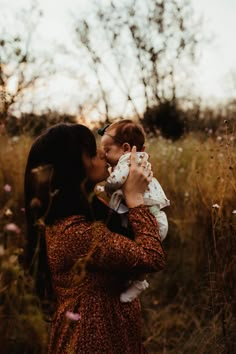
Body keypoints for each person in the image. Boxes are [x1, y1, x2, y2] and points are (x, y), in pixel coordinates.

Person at [24, 123, 166, 354]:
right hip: (90, 340)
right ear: (72, 168)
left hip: (115, 333)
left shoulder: (89, 210)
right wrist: (136, 198)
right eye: (91, 152)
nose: (102, 153)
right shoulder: (74, 232)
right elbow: (152, 256)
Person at [99, 119, 169, 303]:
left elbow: (116, 182)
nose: (104, 156)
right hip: (155, 216)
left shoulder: (127, 161)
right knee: (138, 250)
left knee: (144, 252)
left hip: (152, 217)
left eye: (107, 151)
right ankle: (135, 280)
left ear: (125, 148)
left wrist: (106, 186)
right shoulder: (137, 160)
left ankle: (138, 282)